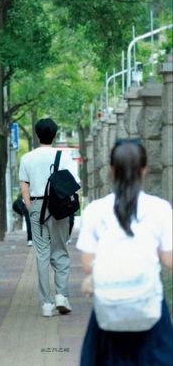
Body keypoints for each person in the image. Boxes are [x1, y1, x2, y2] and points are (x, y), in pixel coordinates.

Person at [76, 139, 173, 366]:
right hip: (150, 303)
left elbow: (87, 264)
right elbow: (169, 259)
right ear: (145, 169)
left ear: (111, 170)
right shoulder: (159, 209)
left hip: (109, 306)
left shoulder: (94, 211)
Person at [19, 117, 80, 317]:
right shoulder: (64, 156)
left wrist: (30, 208)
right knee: (60, 250)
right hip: (59, 207)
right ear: (54, 134)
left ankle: (46, 304)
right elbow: (73, 184)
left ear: (37, 134)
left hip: (37, 206)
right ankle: (61, 296)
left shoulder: (27, 158)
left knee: (42, 254)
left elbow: (24, 186)